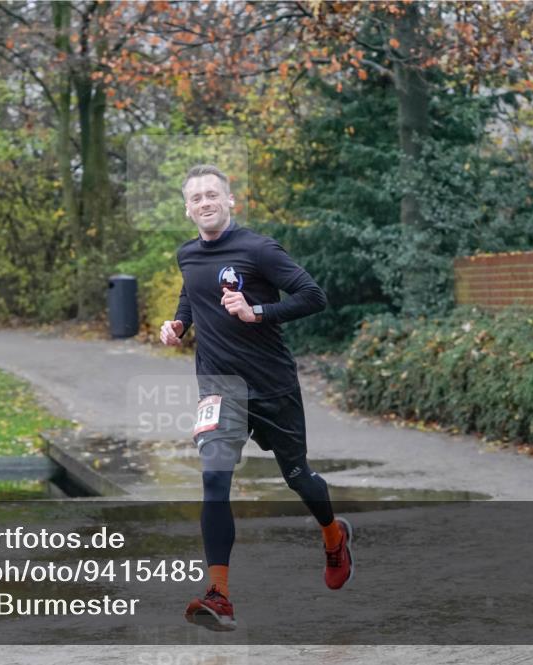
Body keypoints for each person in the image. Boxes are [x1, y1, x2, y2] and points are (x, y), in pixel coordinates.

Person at [160, 164, 353, 632]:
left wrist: (257, 311)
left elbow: (313, 295)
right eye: (196, 198)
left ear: (231, 202)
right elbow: (193, 293)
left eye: (212, 195)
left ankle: (333, 534)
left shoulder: (258, 248)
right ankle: (219, 595)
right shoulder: (188, 254)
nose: (205, 202)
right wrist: (179, 323)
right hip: (219, 388)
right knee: (213, 480)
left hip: (272, 385)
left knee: (298, 478)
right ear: (187, 210)